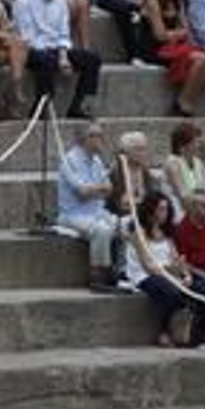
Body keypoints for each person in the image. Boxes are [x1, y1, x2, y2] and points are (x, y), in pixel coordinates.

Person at [15, 0, 100, 120]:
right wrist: (57, 57)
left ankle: (78, 104)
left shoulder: (60, 2)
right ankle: (41, 106)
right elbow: (28, 37)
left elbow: (63, 34)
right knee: (46, 60)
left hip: (57, 49)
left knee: (92, 58)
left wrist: (63, 57)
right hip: (33, 50)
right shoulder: (23, 2)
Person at [124, 191, 205, 347]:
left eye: (167, 209)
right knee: (172, 292)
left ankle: (197, 335)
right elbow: (148, 266)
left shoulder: (167, 232)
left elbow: (177, 260)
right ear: (151, 210)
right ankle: (164, 331)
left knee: (202, 288)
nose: (165, 213)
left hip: (168, 274)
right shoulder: (138, 232)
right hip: (143, 276)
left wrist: (186, 275)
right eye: (161, 209)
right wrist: (175, 277)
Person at [142, 0, 205, 117]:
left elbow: (186, 29)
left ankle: (185, 99)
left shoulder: (177, 1)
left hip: (175, 45)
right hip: (156, 48)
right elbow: (159, 35)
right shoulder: (153, 2)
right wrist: (178, 33)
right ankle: (182, 102)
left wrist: (176, 33)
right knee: (201, 60)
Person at [56, 122, 118, 291]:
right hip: (72, 215)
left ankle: (122, 270)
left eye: (101, 135)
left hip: (96, 211)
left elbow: (109, 189)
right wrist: (97, 190)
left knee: (127, 225)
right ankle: (98, 274)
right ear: (84, 139)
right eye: (96, 135)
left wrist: (94, 190)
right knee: (102, 230)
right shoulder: (69, 160)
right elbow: (82, 193)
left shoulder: (96, 160)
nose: (101, 139)